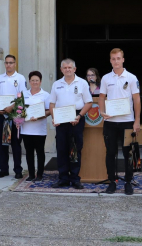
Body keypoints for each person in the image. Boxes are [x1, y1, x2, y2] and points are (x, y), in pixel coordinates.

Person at [98, 49, 141, 195]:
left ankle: (128, 182)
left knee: (128, 153)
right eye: (113, 59)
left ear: (123, 59)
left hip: (127, 122)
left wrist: (137, 120)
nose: (116, 61)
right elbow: (101, 97)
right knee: (111, 153)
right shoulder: (105, 78)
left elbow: (136, 99)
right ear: (110, 61)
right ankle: (112, 181)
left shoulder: (132, 78)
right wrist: (102, 111)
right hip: (110, 122)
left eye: (118, 58)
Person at [49, 58, 93, 189]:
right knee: (61, 149)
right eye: (65, 68)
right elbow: (52, 104)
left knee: (75, 149)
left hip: (76, 119)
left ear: (75, 69)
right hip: (61, 121)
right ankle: (63, 178)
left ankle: (75, 178)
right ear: (61, 69)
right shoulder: (56, 84)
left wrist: (79, 116)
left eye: (70, 67)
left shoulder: (82, 83)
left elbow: (89, 103)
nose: (67, 70)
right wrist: (54, 118)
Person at [0, 55, 27, 179]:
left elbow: (22, 97)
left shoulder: (20, 78)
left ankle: (18, 169)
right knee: (2, 143)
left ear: (15, 64)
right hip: (1, 115)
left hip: (14, 114)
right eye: (6, 63)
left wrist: (12, 107)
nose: (8, 65)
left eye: (11, 63)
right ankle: (3, 169)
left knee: (16, 143)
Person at [21, 71, 51, 182]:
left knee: (40, 152)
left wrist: (39, 116)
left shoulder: (46, 95)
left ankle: (40, 174)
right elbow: (19, 109)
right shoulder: (24, 94)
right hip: (26, 128)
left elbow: (49, 111)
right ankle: (31, 174)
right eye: (32, 80)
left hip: (39, 129)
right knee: (29, 153)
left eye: (37, 80)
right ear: (29, 82)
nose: (35, 82)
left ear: (40, 82)